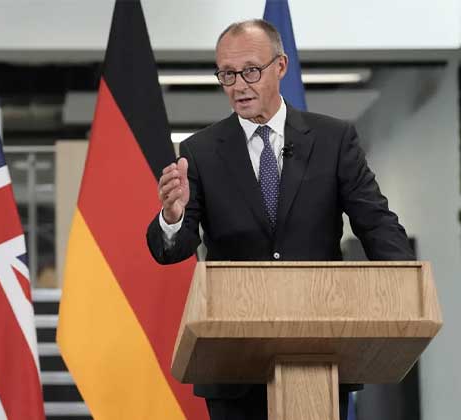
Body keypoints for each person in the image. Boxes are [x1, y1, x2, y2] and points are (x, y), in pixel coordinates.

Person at [146, 19, 414, 420]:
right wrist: (173, 216)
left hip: (319, 352)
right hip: (232, 361)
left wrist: (404, 289)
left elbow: (375, 222)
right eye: (227, 74)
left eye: (251, 71)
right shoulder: (199, 151)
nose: (238, 85)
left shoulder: (333, 140)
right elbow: (174, 248)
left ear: (281, 66)